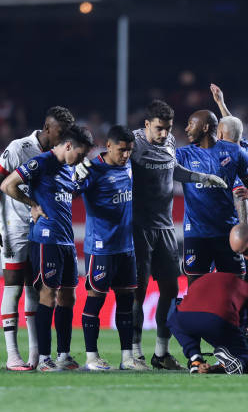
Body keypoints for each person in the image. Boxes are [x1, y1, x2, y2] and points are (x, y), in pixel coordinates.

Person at [130, 99, 226, 369]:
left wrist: (202, 178)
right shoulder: (134, 143)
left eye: (168, 128)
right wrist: (86, 168)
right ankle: (134, 353)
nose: (164, 134)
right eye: (159, 128)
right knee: (137, 291)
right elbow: (111, 159)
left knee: (171, 290)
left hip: (165, 227)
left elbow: (175, 171)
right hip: (139, 228)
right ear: (147, 124)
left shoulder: (170, 141)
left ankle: (161, 354)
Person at [0, 106, 75, 370]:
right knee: (12, 286)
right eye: (60, 131)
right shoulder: (19, 148)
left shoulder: (58, 155)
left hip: (40, 230)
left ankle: (36, 354)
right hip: (13, 226)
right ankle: (12, 354)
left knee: (36, 289)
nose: (64, 137)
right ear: (47, 128)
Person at [0, 125, 94, 371]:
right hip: (45, 239)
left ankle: (63, 355)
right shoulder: (41, 162)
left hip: (66, 240)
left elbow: (66, 196)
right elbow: (8, 185)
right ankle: (43, 358)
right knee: (47, 295)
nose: (81, 159)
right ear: (68, 145)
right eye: (81, 154)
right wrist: (32, 204)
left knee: (68, 297)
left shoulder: (69, 169)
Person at [78, 125, 148, 371]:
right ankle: (91, 357)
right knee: (95, 300)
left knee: (126, 303)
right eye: (121, 150)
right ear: (108, 146)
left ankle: (127, 358)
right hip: (101, 247)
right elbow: (73, 191)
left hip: (125, 247)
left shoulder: (128, 165)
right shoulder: (93, 169)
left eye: (129, 150)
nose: (126, 155)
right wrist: (75, 174)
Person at [176, 109, 248, 284]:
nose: (186, 129)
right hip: (196, 234)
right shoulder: (182, 154)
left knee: (235, 286)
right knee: (196, 289)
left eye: (191, 124)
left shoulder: (234, 152)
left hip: (227, 234)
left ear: (206, 127)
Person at [167, 272, 248, 374]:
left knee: (175, 320)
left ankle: (196, 360)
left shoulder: (207, 278)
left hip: (182, 318)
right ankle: (223, 365)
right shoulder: (246, 288)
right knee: (244, 355)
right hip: (217, 319)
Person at [211, 83, 248, 284]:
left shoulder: (227, 159)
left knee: (232, 282)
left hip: (238, 232)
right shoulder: (247, 149)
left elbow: (239, 194)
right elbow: (234, 129)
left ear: (220, 134)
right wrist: (221, 104)